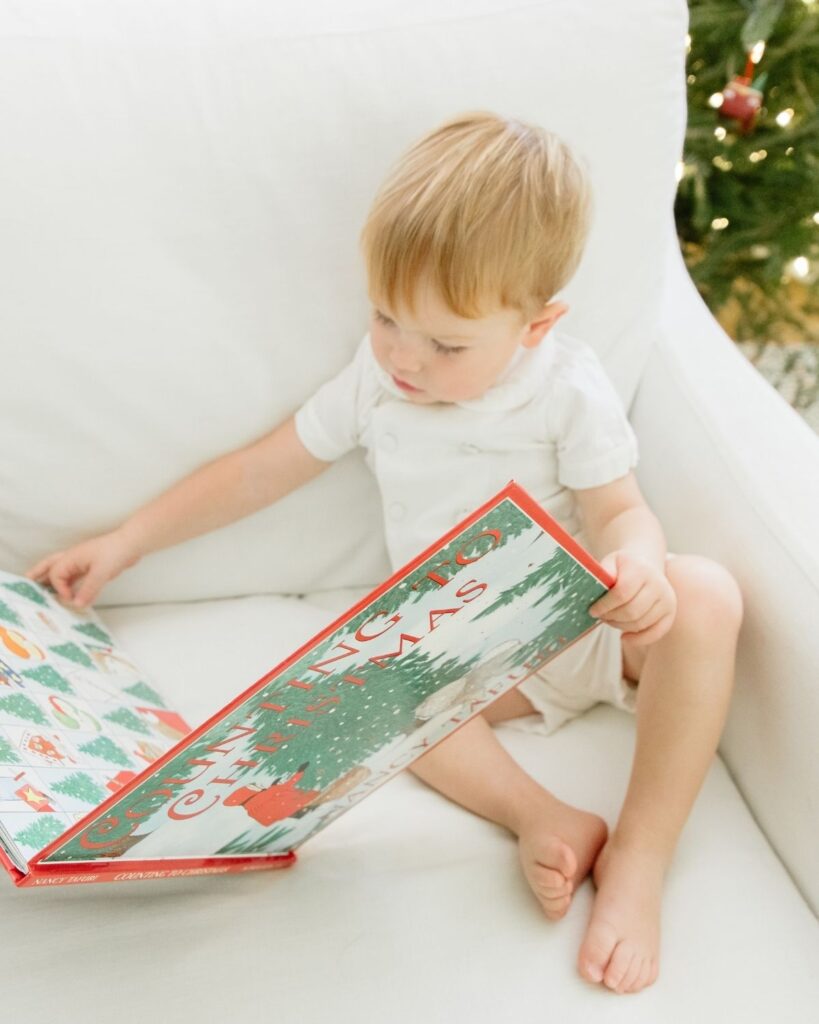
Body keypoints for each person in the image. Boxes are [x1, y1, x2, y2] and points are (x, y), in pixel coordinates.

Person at [26, 111, 744, 996]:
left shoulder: (563, 387)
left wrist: (638, 568)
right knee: (353, 696)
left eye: (445, 344)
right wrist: (126, 541)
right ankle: (543, 817)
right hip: (469, 667)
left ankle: (639, 853)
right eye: (385, 319)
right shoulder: (377, 382)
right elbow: (260, 470)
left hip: (585, 627)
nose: (405, 358)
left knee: (706, 594)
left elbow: (623, 511)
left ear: (534, 325)